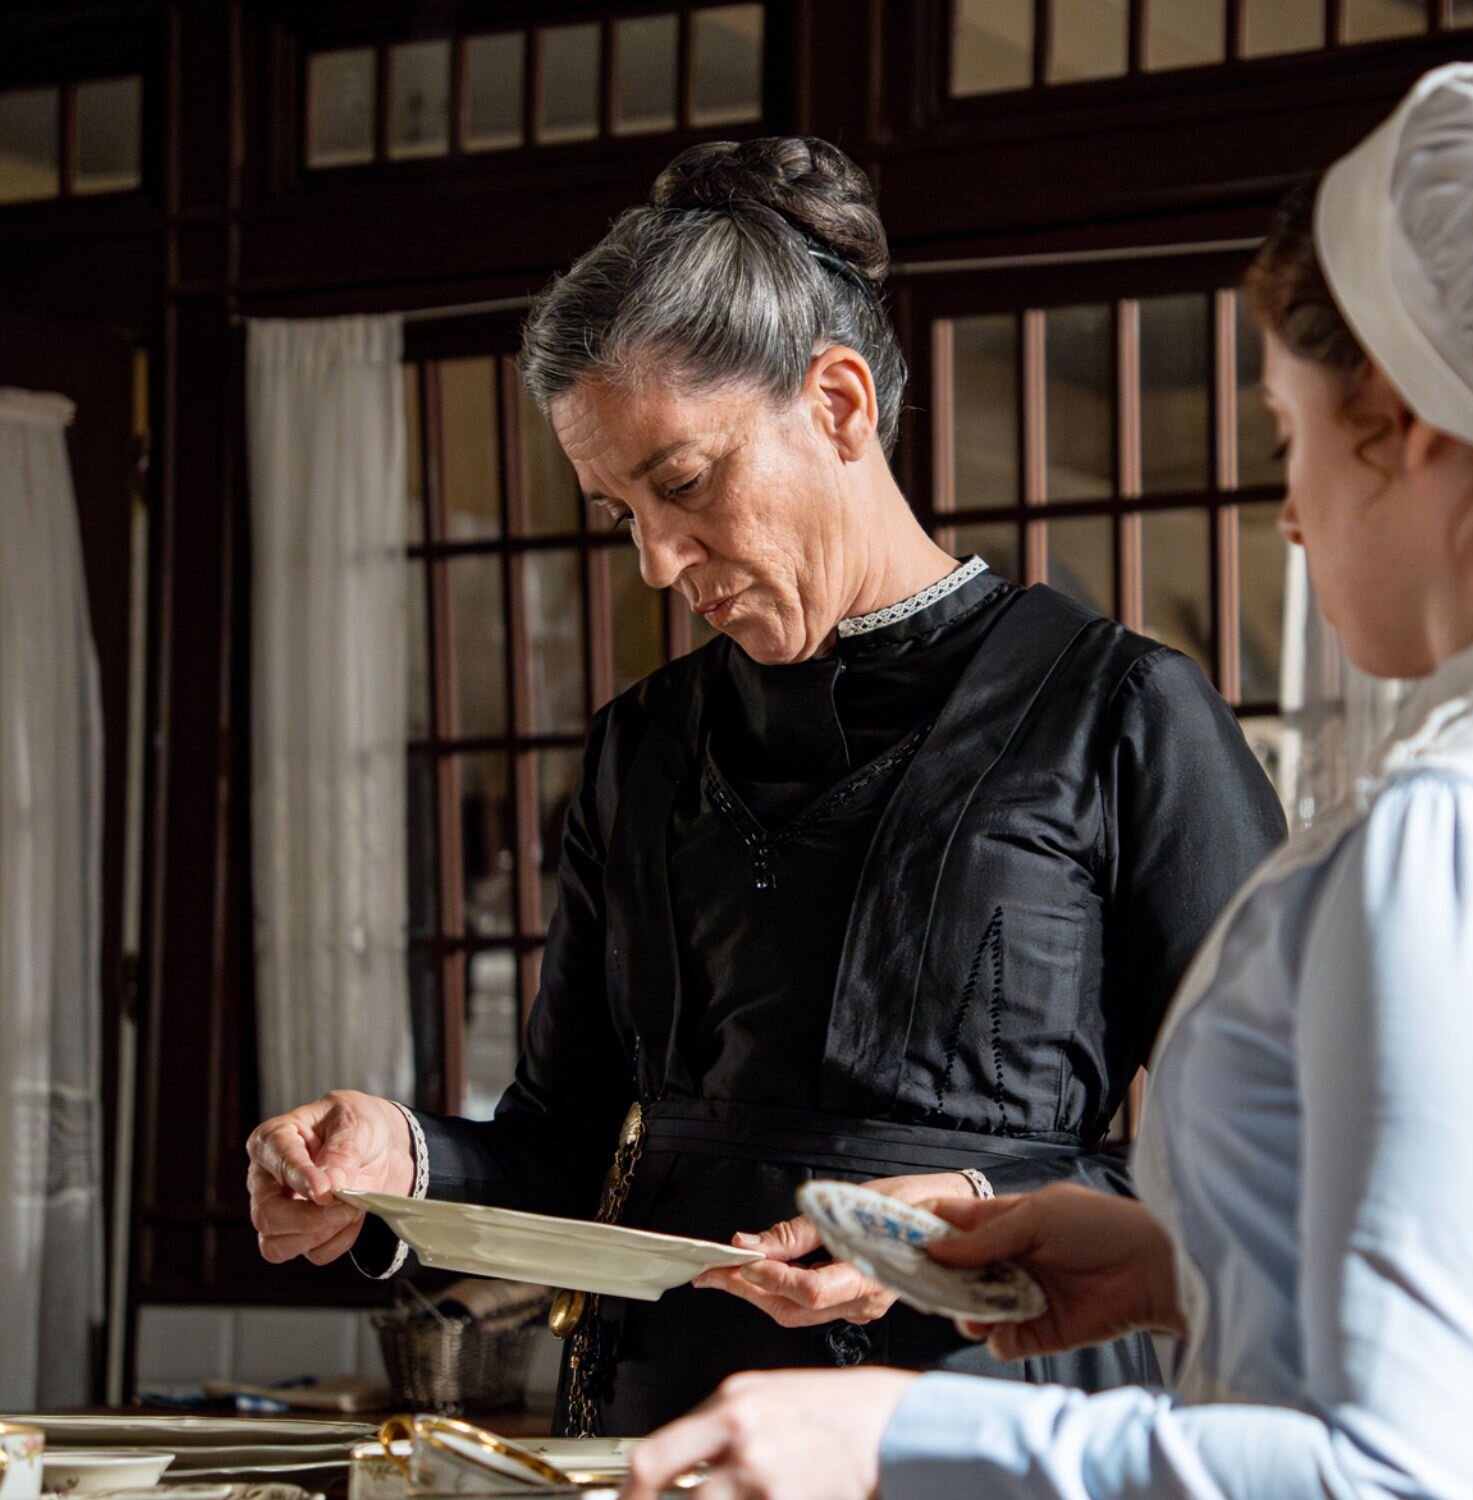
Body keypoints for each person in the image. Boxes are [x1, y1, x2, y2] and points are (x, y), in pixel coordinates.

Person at [610, 59, 1473, 1500]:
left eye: (1290, 432)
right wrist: (1186, 1270)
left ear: (1400, 421)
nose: (1288, 514)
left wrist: (892, 1440)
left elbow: (1400, 1477)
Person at [243, 136, 1288, 1435]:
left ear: (840, 403)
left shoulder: (1121, 713)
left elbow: (1273, 1167)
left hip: (979, 1428)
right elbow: (566, 1147)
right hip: (660, 1432)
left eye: (684, 483)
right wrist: (397, 1162)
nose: (655, 561)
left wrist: (986, 1201)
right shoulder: (642, 749)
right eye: (620, 513)